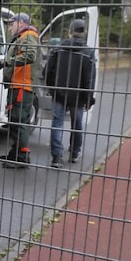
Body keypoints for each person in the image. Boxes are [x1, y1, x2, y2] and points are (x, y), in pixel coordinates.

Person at [45, 19, 96, 168]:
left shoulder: (58, 49)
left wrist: (52, 89)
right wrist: (89, 98)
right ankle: (74, 153)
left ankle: (56, 157)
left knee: (57, 123)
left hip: (59, 92)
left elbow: (47, 71)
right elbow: (90, 79)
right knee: (77, 124)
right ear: (84, 33)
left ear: (70, 32)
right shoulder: (88, 52)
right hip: (78, 95)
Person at [0, 12, 40, 169]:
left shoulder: (28, 36)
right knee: (16, 120)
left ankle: (21, 157)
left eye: (12, 24)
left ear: (21, 23)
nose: (9, 27)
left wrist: (8, 62)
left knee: (19, 121)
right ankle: (15, 153)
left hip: (22, 85)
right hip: (18, 85)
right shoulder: (23, 37)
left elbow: (29, 55)